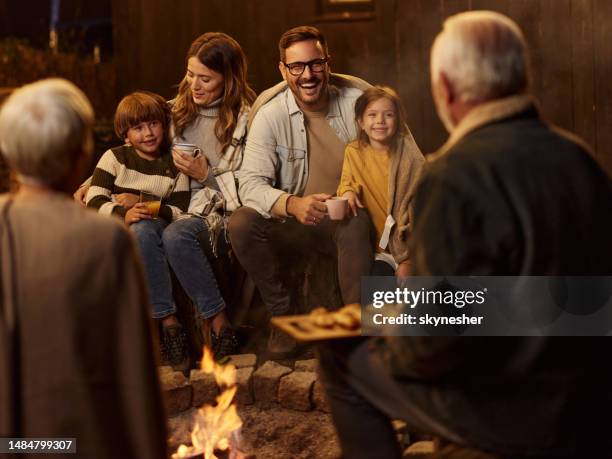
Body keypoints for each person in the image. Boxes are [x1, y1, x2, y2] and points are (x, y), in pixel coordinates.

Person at [318, 11, 612, 458]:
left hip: (515, 412)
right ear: (520, 77)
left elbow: (436, 346)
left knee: (343, 359)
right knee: (375, 314)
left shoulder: (450, 175)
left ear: (446, 89)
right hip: (589, 396)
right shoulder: (581, 159)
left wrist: (392, 330)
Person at [0, 78, 166, 459]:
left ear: (10, 154)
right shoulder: (104, 239)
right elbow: (133, 368)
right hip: (79, 439)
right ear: (81, 152)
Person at [77, 32, 256, 364]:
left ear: (229, 80)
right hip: (172, 204)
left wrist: (206, 175)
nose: (194, 85)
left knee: (175, 234)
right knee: (145, 232)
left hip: (215, 210)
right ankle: (170, 327)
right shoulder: (174, 111)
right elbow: (136, 147)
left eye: (205, 78)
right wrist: (93, 183)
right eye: (190, 75)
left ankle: (220, 325)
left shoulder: (248, 119)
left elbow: (253, 186)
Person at [228, 26, 373, 356]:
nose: (307, 75)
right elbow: (249, 184)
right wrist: (292, 204)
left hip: (342, 217)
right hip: (290, 223)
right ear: (283, 69)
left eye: (315, 64)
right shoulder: (271, 115)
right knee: (241, 222)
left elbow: (398, 159)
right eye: (296, 66)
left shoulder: (356, 104)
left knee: (357, 221)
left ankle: (357, 332)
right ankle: (285, 317)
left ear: (327, 63)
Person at [86, 91, 192, 369]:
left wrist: (144, 204)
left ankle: (169, 325)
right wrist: (124, 213)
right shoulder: (114, 158)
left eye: (153, 124)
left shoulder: (174, 163)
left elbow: (180, 209)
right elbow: (94, 198)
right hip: (116, 228)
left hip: (153, 228)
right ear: (125, 134)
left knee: (144, 231)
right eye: (138, 127)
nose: (148, 133)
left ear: (163, 124)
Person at [337, 86, 424, 277]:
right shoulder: (354, 152)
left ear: (398, 121)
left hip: (413, 248)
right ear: (360, 121)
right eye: (372, 115)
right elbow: (347, 182)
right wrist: (348, 193)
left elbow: (422, 209)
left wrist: (409, 260)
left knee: (417, 296)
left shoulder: (409, 158)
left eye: (388, 115)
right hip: (381, 250)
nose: (380, 121)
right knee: (378, 288)